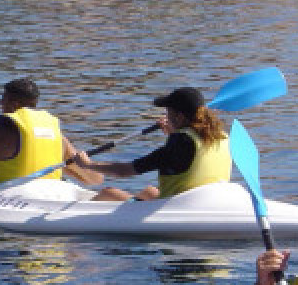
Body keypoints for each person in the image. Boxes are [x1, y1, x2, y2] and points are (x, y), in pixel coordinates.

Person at [74, 86, 230, 202]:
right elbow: (185, 159)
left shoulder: (182, 141)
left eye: (168, 113)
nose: (166, 117)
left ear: (180, 117)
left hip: (179, 207)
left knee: (108, 193)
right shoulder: (222, 136)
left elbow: (126, 171)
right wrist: (172, 132)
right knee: (150, 191)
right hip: (212, 201)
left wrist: (88, 165)